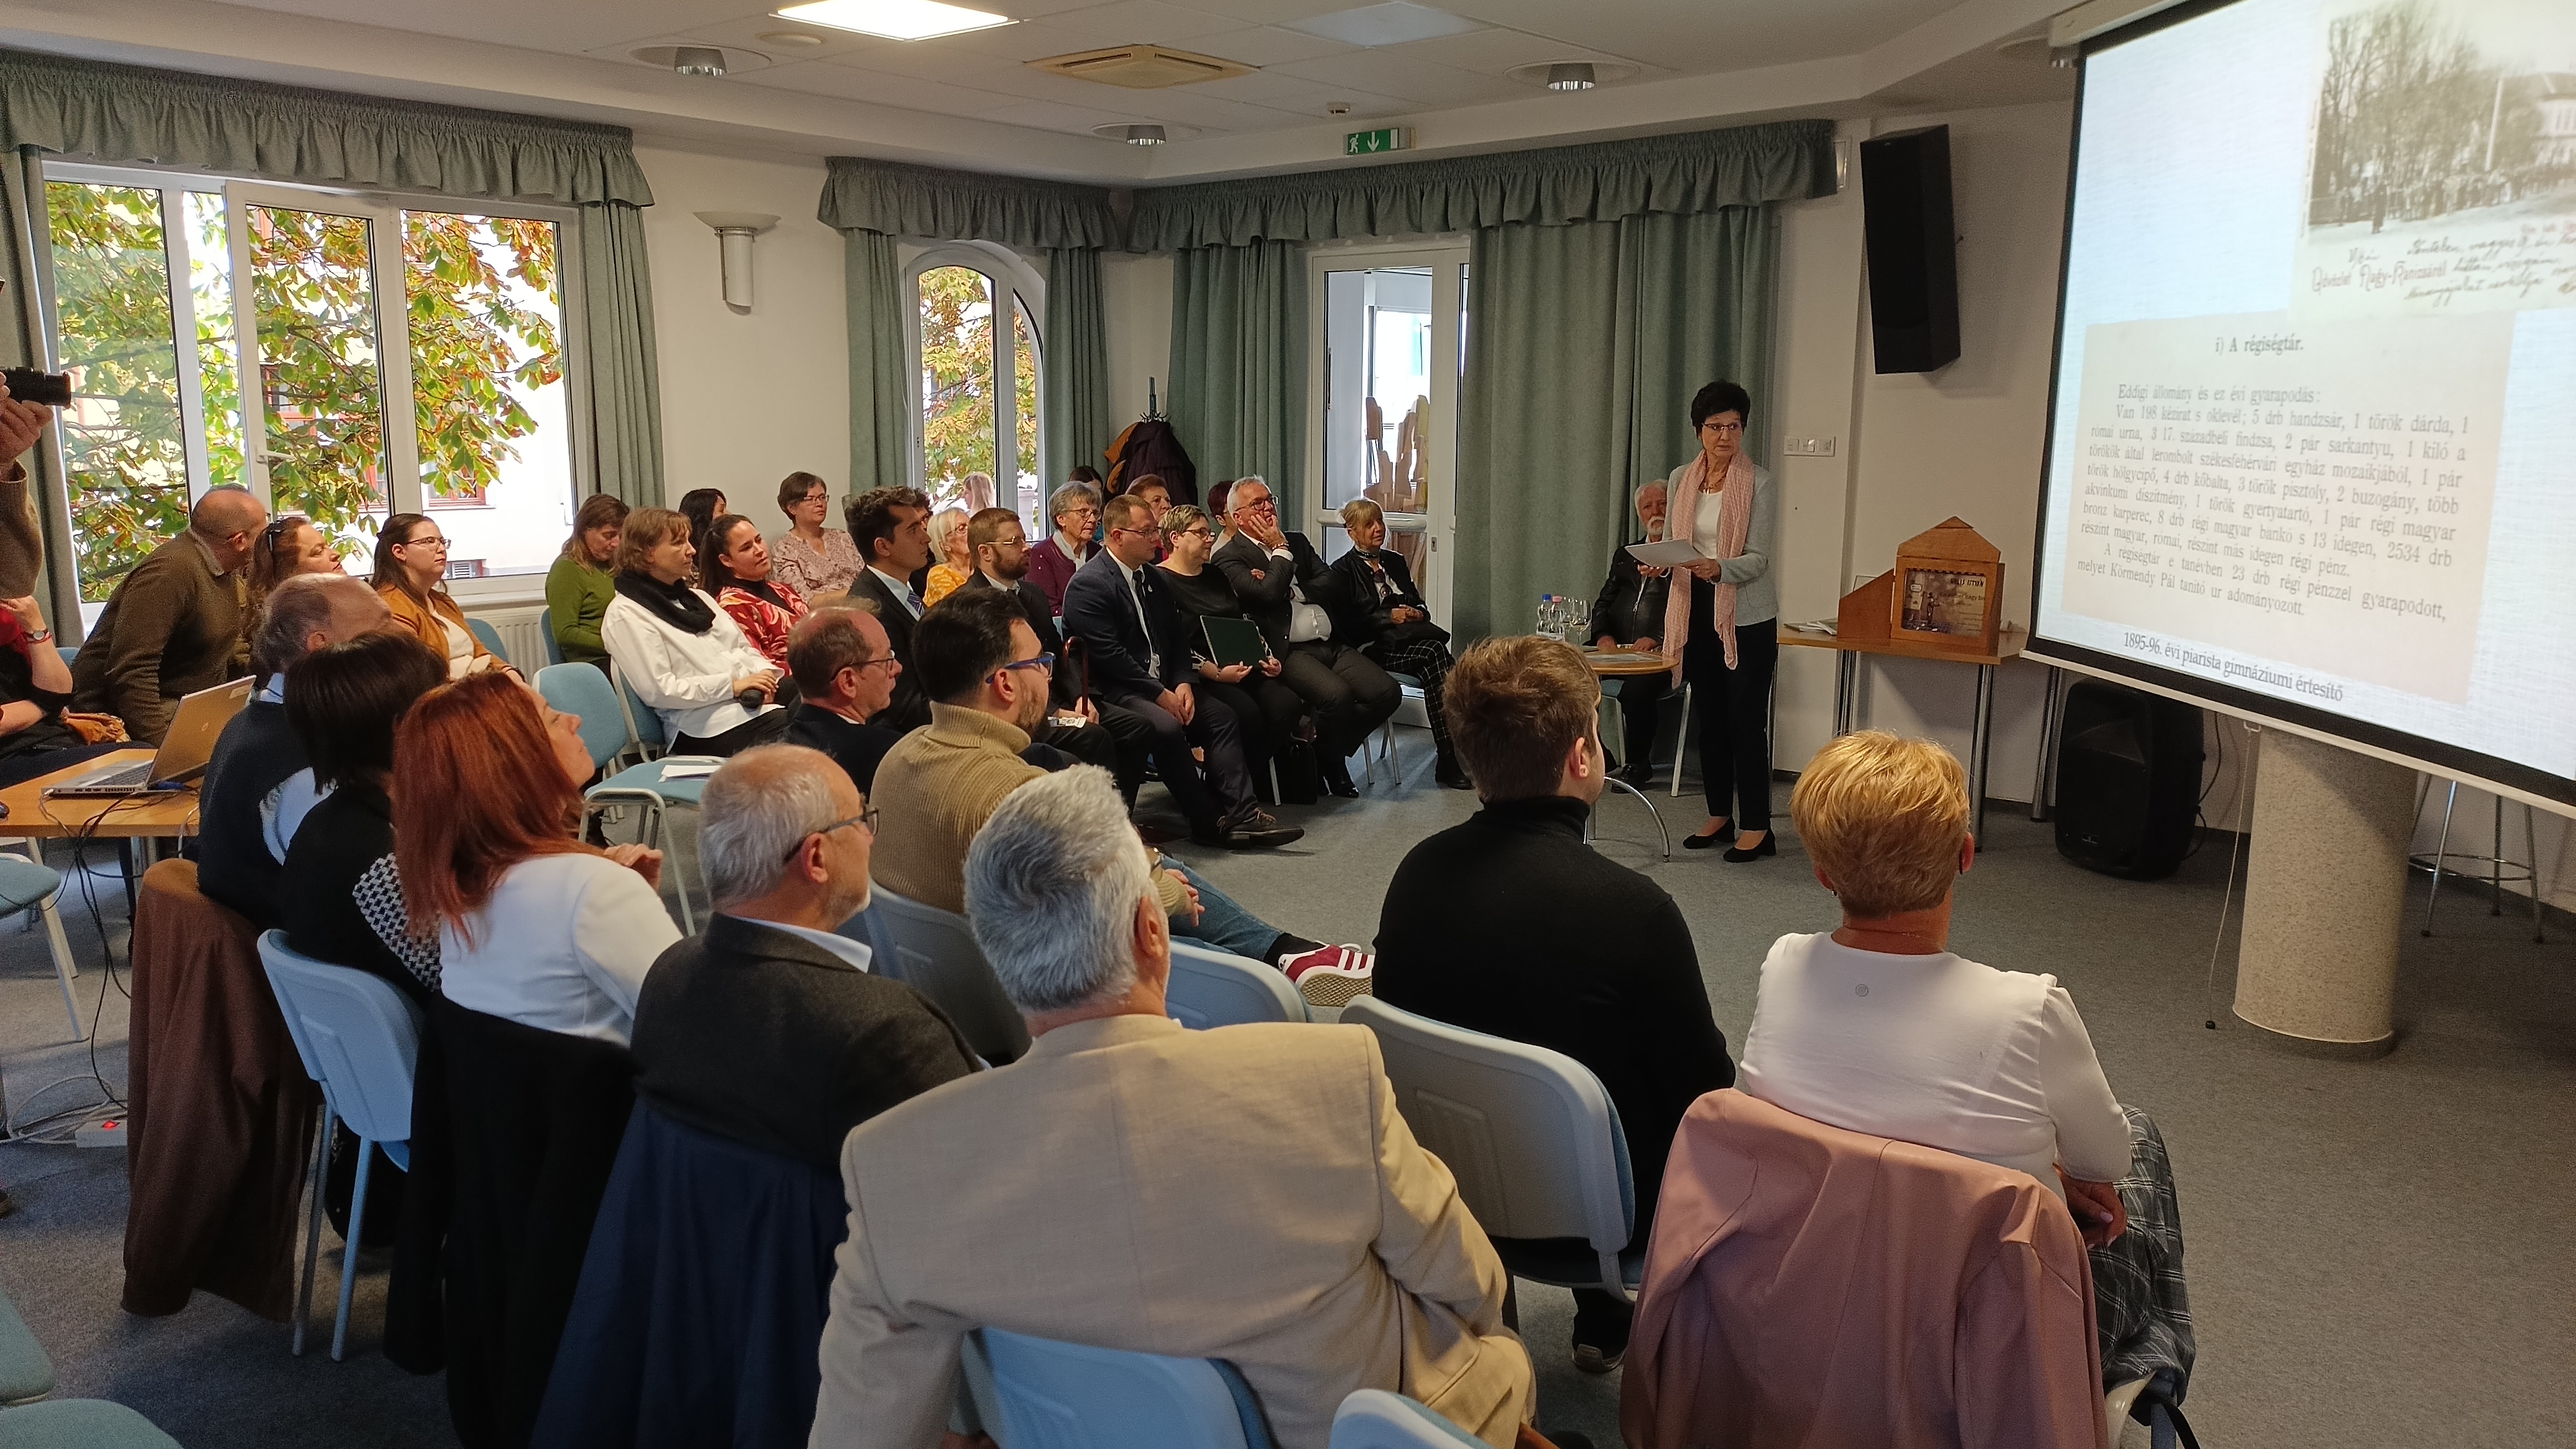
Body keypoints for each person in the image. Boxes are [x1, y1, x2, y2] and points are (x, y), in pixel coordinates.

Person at [808, 768, 1536, 1449]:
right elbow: (1473, 1285)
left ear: (996, 952)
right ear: (1151, 931)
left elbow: (864, 1427)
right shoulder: (1328, 1078)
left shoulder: (893, 1165)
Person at [533, 745, 982, 1449]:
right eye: (862, 821)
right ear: (816, 857)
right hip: (849, 1387)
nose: (872, 838)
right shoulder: (880, 1030)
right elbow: (983, 1221)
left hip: (705, 1370)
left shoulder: (671, 978)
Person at [1735, 730, 2191, 1391]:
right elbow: (2104, 1163)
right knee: (2137, 1142)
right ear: (1965, 856)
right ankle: (2151, 1366)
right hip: (1993, 1350)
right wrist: (2046, 1170)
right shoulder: (2029, 1009)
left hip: (1822, 1299)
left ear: (1822, 873)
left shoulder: (1782, 966)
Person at [1371, 635, 1736, 1374]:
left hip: (1448, 1189)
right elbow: (1704, 1092)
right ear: (1581, 756)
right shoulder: (1634, 910)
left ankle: (1563, 1312)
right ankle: (1618, 1319)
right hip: (1605, 1223)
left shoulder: (1416, 874)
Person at [870, 590, 1350, 985]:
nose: (1049, 674)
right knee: (1233, 971)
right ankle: (1278, 958)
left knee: (1157, 872)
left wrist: (1149, 875)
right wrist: (1166, 891)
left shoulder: (897, 758)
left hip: (954, 983)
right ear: (1005, 685)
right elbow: (1127, 906)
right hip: (1042, 984)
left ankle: (1283, 950)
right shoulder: (1021, 795)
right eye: (1040, 662)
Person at [395, 671, 680, 1047]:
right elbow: (698, 1030)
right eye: (553, 718)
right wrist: (623, 899)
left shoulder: (459, 891)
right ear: (517, 760)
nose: (575, 720)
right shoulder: (593, 889)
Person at [1062, 496, 1301, 851]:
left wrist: (1184, 682)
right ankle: (1206, 821)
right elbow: (1109, 657)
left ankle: (1242, 813)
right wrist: (1160, 693)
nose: (1155, 539)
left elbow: (1175, 641)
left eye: (1154, 530)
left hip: (1164, 683)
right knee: (1167, 727)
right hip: (1118, 689)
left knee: (1222, 717)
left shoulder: (1152, 579)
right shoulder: (1090, 584)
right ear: (1117, 536)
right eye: (1146, 532)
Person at [196, 573, 396, 928]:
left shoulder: (254, 720)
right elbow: (381, 905)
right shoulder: (308, 774)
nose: (401, 637)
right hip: (316, 952)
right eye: (382, 628)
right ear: (322, 645)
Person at [276, 630, 450, 1003]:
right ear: (403, 729)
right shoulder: (376, 863)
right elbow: (456, 975)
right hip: (435, 1033)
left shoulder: (338, 819)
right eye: (443, 704)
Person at [1212, 476, 1398, 798]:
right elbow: (1266, 595)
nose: (1268, 508)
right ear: (1238, 517)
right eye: (1257, 504)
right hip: (1288, 650)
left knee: (1387, 693)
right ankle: (1334, 764)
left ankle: (1327, 753)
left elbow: (1334, 583)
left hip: (1330, 642)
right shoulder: (1229, 557)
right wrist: (1279, 552)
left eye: (1270, 499)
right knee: (1337, 697)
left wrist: (1294, 590)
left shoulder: (1297, 540)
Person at [1659, 380, 1780, 859]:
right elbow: (1673, 541)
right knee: (1710, 719)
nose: (1725, 436)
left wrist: (1719, 568)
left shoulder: (1760, 483)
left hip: (1746, 616)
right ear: (1699, 431)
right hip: (1694, 610)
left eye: (1734, 426)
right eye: (1715, 427)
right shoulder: (1681, 479)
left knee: (1744, 721)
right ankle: (1719, 815)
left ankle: (1758, 826)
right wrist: (1659, 562)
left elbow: (1759, 559)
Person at [957, 505, 1153, 799]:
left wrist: (1080, 697)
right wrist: (1053, 711)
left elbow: (1059, 654)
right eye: (1014, 542)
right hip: (1021, 711)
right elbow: (993, 681)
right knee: (1093, 737)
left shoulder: (1032, 593)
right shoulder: (970, 606)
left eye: (1025, 539)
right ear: (985, 552)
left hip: (1059, 697)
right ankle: (1096, 816)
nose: (1027, 548)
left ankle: (1121, 811)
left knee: (1137, 727)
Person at [71, 483, 265, 743]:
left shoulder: (225, 571)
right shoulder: (169, 573)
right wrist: (162, 746)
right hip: (125, 718)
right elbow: (132, 672)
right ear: (240, 541)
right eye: (262, 532)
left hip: (192, 707)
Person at [601, 507, 791, 757]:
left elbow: (742, 648)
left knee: (825, 695)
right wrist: (733, 686)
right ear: (647, 553)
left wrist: (764, 677)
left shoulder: (699, 598)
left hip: (746, 700)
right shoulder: (627, 614)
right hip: (702, 725)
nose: (691, 550)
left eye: (689, 541)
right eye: (678, 543)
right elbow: (660, 690)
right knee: (808, 726)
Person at [1153, 504, 1305, 789]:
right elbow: (1171, 643)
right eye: (1201, 533)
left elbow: (1241, 620)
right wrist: (1216, 672)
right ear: (1175, 538)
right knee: (1246, 714)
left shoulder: (1215, 575)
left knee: (1288, 705)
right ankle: (1230, 785)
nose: (1209, 539)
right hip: (1201, 673)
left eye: (1210, 533)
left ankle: (1236, 779)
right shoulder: (1160, 581)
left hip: (1241, 663)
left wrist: (1267, 656)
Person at [1328, 499, 1467, 789]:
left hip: (1409, 642)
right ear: (1352, 532)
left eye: (1380, 521)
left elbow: (1419, 602)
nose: (1378, 528)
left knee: (1435, 662)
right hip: (1372, 649)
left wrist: (1418, 612)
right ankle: (1450, 755)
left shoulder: (1395, 561)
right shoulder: (1341, 572)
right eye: (1369, 524)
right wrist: (1387, 617)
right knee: (1440, 658)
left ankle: (1448, 755)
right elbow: (1346, 627)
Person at [1588, 482, 1675, 787]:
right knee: (1569, 673)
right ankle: (1599, 753)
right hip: (1618, 651)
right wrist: (1603, 636)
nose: (1656, 512)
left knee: (1636, 692)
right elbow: (1604, 602)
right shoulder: (1627, 554)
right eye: (1648, 507)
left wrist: (1659, 638)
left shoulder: (1683, 558)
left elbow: (1691, 612)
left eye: (1662, 504)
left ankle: (1639, 764)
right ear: (1640, 515)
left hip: (1663, 655)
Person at [0, 591, 126, 790]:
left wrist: (35, 627)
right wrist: (44, 706)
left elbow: (60, 690)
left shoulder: (10, 622)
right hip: (12, 757)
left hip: (55, 742)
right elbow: (54, 700)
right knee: (139, 758)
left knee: (149, 764)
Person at [841, 487, 935, 732]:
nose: (926, 538)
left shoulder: (910, 583)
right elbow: (904, 707)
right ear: (883, 547)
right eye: (913, 530)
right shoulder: (872, 611)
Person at [783, 605, 904, 794]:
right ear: (848, 682)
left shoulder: (778, 753)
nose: (897, 668)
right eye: (887, 659)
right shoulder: (889, 754)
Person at [373, 513, 508, 681]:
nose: (441, 549)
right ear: (400, 552)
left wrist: (509, 671)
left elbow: (479, 652)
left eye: (442, 541)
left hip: (476, 684)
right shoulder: (391, 606)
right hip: (449, 693)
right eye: (429, 541)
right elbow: (418, 677)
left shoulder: (443, 602)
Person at [703, 514, 811, 670]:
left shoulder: (782, 589)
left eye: (759, 540)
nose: (759, 550)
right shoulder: (733, 605)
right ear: (727, 560)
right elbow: (761, 666)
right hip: (794, 679)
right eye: (747, 548)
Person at [547, 493, 628, 670]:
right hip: (593, 662)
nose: (616, 543)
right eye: (609, 536)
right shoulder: (567, 569)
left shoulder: (613, 566)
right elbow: (565, 633)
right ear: (584, 530)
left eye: (621, 536)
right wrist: (615, 646)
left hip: (618, 655)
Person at [771, 471, 861, 602]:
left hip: (863, 605)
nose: (820, 504)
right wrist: (855, 593)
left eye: (822, 497)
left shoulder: (841, 537)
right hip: (823, 613)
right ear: (792, 508)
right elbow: (803, 601)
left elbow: (864, 577)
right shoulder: (784, 549)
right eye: (811, 499)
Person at [1021, 480, 1099, 615]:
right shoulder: (1041, 555)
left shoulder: (1098, 553)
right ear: (1061, 519)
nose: (1092, 520)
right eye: (1083, 512)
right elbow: (1047, 610)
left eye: (1095, 513)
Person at [247, 513, 345, 607]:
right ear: (290, 573)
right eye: (319, 552)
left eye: (328, 545)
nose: (336, 554)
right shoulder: (293, 618)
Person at [920, 506, 972, 606]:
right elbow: (962, 610)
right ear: (944, 545)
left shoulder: (983, 565)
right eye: (962, 528)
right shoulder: (939, 575)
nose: (971, 531)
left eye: (971, 525)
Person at [676, 487, 727, 583]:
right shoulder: (685, 562)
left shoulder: (724, 547)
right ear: (704, 517)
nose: (728, 514)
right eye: (721, 510)